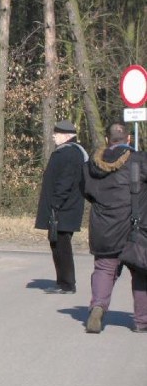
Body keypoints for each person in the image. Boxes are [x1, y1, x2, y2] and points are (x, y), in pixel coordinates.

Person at [82, 121, 147, 334]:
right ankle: (141, 321)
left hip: (103, 227)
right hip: (134, 227)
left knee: (104, 269)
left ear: (108, 140)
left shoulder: (93, 163)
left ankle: (98, 307)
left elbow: (86, 191)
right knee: (140, 273)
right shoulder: (140, 160)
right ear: (128, 139)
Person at [34, 120, 88, 294]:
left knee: (62, 246)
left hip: (63, 209)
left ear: (66, 135)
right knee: (57, 244)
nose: (53, 137)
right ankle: (63, 281)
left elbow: (65, 182)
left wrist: (55, 204)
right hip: (64, 208)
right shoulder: (71, 152)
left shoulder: (68, 153)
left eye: (56, 134)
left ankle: (67, 283)